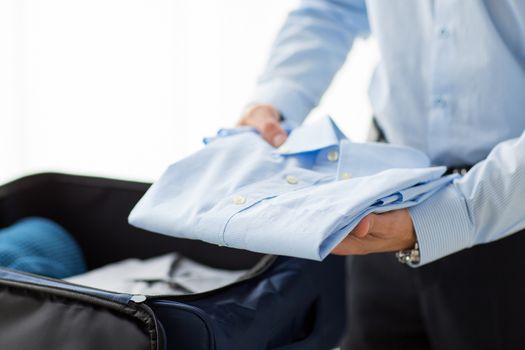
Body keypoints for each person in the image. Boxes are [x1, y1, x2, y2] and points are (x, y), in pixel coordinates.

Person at [237, 1, 525, 349]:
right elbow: (335, 6)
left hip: (510, 217)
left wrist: (451, 215)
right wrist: (275, 100)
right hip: (387, 192)